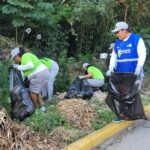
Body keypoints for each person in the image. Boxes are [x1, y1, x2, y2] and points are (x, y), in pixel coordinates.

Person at [106, 21, 147, 122]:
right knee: (120, 94)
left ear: (124, 30)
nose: (116, 34)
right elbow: (114, 57)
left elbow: (142, 54)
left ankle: (132, 113)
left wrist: (139, 67)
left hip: (133, 73)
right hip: (120, 74)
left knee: (132, 93)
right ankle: (121, 115)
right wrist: (111, 68)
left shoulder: (136, 39)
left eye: (117, 32)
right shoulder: (118, 43)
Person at [11, 47, 50, 112]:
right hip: (43, 73)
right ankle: (42, 108)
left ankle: (36, 108)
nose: (14, 61)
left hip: (39, 73)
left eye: (14, 59)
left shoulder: (25, 56)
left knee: (32, 92)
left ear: (17, 56)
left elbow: (30, 65)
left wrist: (17, 67)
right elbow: (23, 74)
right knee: (36, 92)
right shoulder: (24, 60)